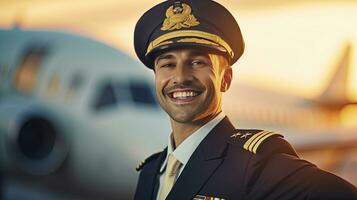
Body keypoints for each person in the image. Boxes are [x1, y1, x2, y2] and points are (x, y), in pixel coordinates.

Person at [132, 0, 357, 200]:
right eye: (167, 64)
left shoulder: (256, 164)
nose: (180, 77)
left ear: (226, 79)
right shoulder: (151, 172)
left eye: (198, 62)